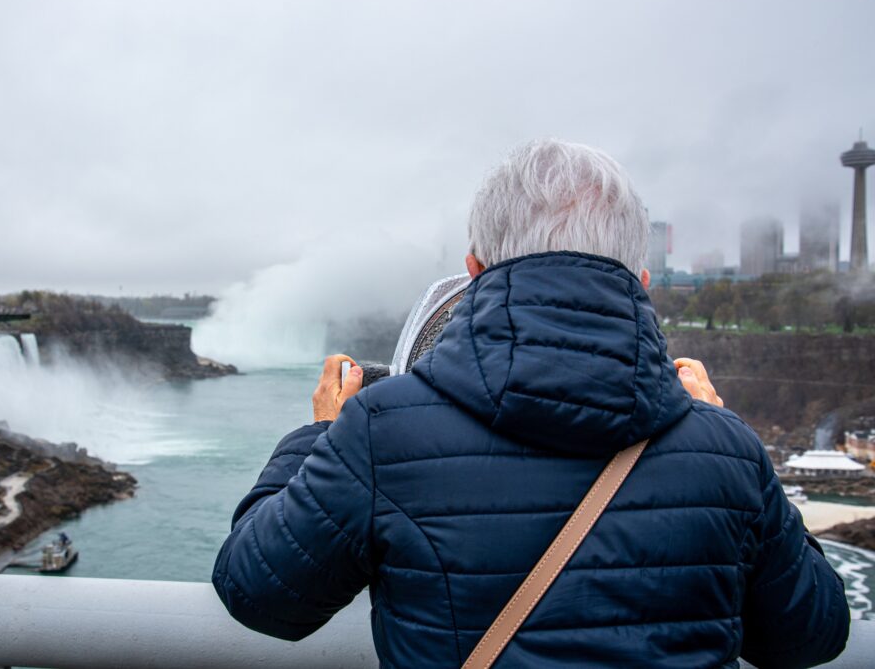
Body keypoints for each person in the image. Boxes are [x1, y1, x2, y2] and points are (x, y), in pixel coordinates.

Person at [213, 139, 849, 667]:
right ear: (643, 281)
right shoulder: (726, 449)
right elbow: (811, 634)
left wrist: (321, 433)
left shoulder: (381, 430)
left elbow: (260, 594)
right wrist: (724, 426)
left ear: (472, 270)